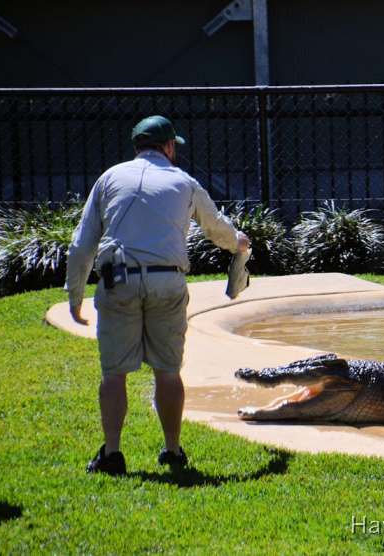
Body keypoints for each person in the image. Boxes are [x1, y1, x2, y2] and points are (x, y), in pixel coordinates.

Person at [66, 115, 250, 475]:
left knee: (114, 373)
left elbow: (82, 244)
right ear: (168, 147)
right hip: (168, 280)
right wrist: (237, 242)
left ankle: (112, 453)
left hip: (119, 280)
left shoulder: (109, 178)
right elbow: (215, 227)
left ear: (137, 146)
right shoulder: (184, 181)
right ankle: (172, 449)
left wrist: (75, 296)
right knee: (168, 370)